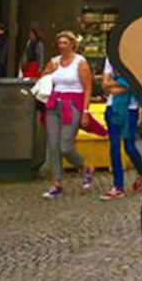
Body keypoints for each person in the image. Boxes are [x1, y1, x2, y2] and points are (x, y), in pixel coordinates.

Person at [40, 30, 94, 199]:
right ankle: (56, 183)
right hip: (54, 104)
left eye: (65, 43)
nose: (61, 46)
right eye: (59, 43)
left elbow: (88, 87)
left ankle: (84, 167)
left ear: (72, 44)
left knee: (65, 145)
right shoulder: (54, 62)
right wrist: (49, 74)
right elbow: (42, 79)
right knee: (53, 146)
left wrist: (85, 111)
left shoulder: (80, 62)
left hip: (72, 105)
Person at [100, 58, 142, 201]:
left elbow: (136, 84)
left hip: (130, 109)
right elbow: (105, 85)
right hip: (112, 107)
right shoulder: (111, 59)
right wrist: (123, 84)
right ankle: (118, 186)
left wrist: (113, 85)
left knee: (129, 146)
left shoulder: (136, 56)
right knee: (114, 147)